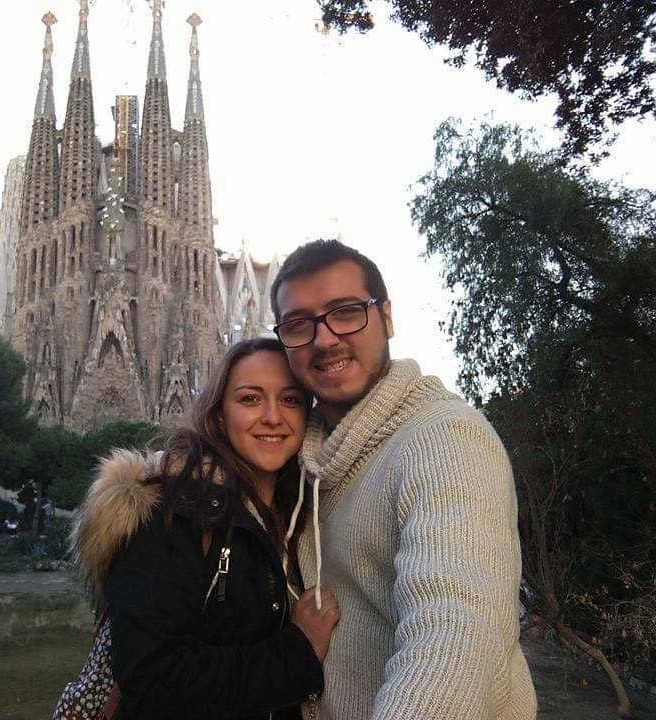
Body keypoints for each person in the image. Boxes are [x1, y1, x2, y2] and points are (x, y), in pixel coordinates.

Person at [270, 239, 537, 720]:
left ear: (386, 317)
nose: (325, 339)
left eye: (347, 312)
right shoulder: (308, 460)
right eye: (298, 325)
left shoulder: (443, 439)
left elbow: (455, 632)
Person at [71, 337, 340, 720]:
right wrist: (299, 651)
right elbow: (154, 684)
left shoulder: (302, 516)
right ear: (217, 416)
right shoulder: (170, 516)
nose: (272, 416)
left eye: (291, 399)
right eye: (249, 399)